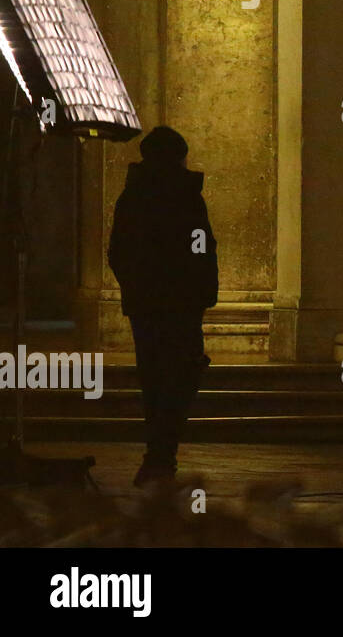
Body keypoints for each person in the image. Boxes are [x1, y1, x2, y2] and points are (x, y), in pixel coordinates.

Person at [107, 126, 217, 488]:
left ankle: (158, 456)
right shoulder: (186, 197)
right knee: (179, 377)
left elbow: (118, 251)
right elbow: (201, 246)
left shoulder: (133, 196)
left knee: (154, 380)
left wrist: (136, 287)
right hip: (181, 303)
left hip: (147, 303)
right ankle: (160, 456)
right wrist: (202, 290)